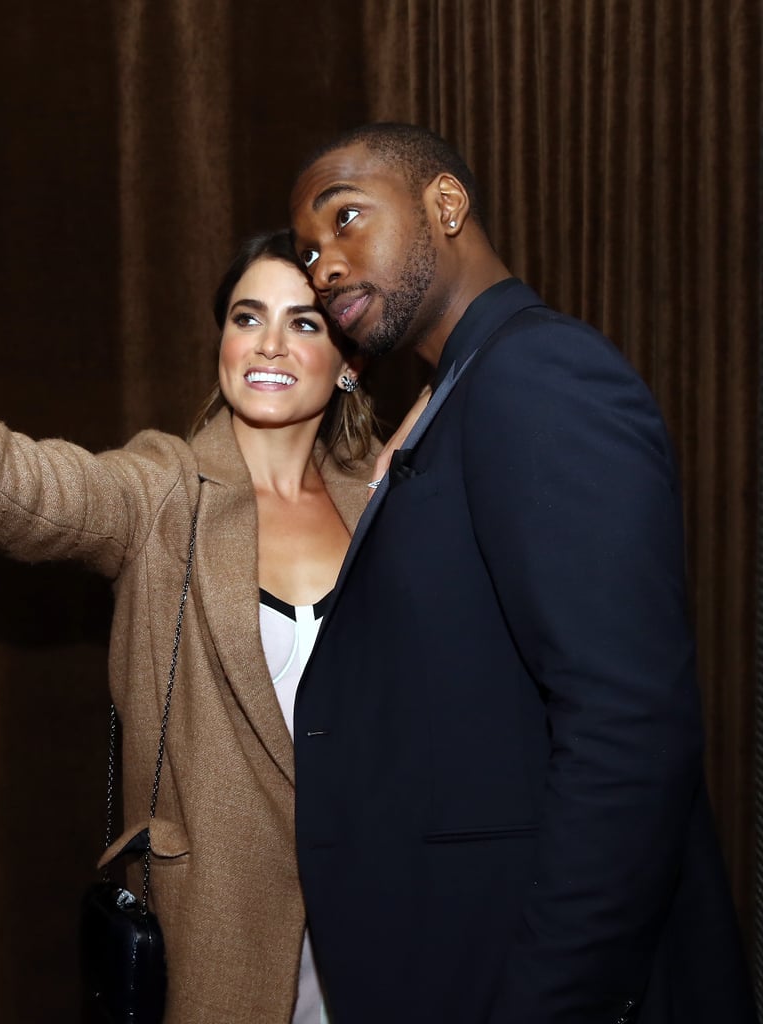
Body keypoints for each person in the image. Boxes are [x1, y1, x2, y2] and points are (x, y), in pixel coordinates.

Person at [0, 102, 383, 1023]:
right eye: (249, 317)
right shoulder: (160, 491)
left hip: (382, 923)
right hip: (222, 931)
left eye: (307, 323)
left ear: (351, 363)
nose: (273, 344)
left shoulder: (388, 505)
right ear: (221, 347)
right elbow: (1, 479)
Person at [287, 122, 756, 1023]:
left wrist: (550, 1004)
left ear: (446, 205)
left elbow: (627, 731)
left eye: (348, 219)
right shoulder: (458, 394)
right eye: (310, 250)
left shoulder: (540, 372)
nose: (325, 266)